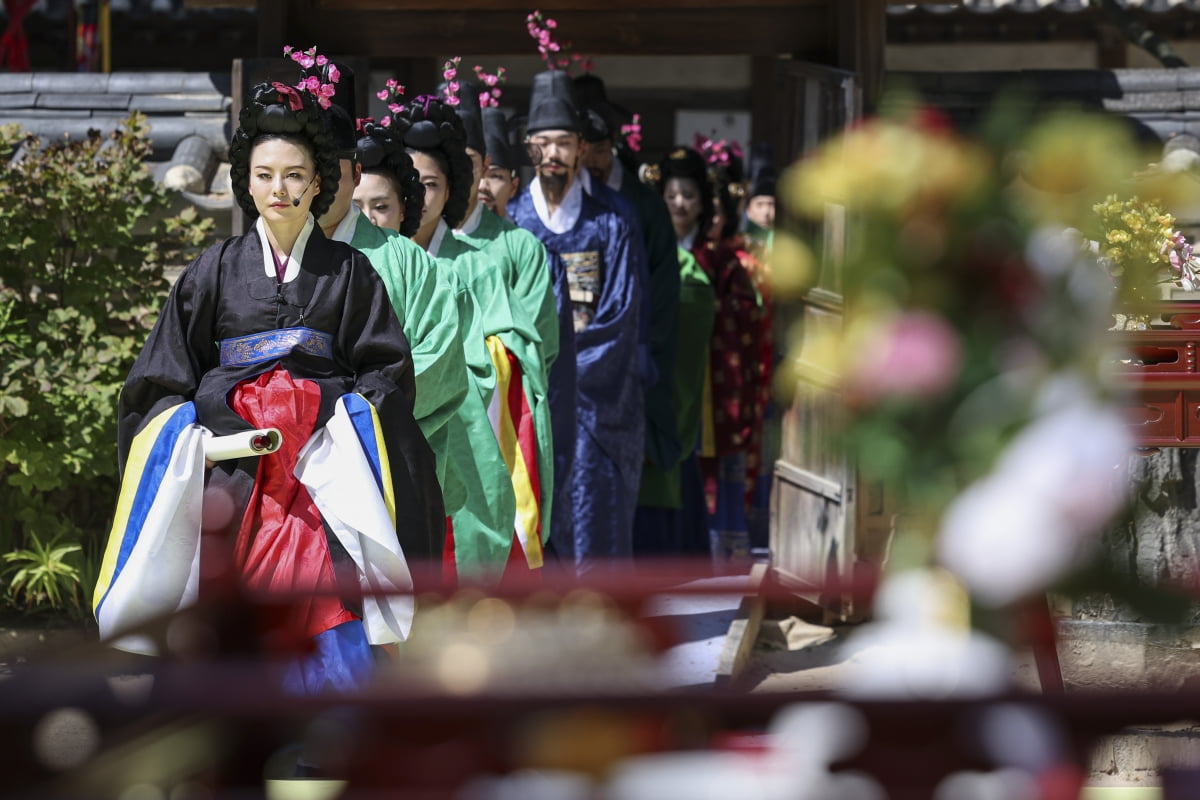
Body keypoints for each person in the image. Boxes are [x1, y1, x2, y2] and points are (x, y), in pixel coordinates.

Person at [93, 75, 445, 694]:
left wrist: (335, 424)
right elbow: (159, 381)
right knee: (229, 611)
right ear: (246, 182)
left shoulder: (349, 273)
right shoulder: (213, 270)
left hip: (323, 479)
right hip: (231, 477)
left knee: (326, 594)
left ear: (318, 183)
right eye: (264, 175)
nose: (278, 189)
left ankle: (329, 732)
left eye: (293, 175)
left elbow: (387, 373)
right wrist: (200, 439)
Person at [309, 64, 468, 524]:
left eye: (331, 168)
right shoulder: (262, 258)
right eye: (304, 168)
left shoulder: (410, 263)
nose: (317, 182)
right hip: (287, 464)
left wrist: (347, 419)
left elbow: (440, 363)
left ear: (356, 172)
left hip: (383, 460)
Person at [508, 71, 643, 573]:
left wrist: (566, 372)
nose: (553, 155)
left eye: (564, 143)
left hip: (597, 400)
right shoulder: (515, 221)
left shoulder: (613, 219)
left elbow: (622, 315)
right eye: (542, 144)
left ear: (583, 147)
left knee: (593, 501)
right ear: (527, 149)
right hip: (531, 389)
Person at [390, 93, 527, 581]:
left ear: (452, 191)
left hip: (466, 430)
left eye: (431, 184)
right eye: (408, 183)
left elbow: (514, 354)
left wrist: (452, 364)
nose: (418, 195)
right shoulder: (371, 262)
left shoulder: (479, 265)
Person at [574, 73, 685, 556]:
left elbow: (662, 290)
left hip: (629, 360)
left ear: (614, 144)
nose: (593, 159)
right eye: (584, 146)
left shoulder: (640, 206)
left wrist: (641, 351)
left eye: (600, 147)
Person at [656, 146, 763, 568]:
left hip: (709, 380)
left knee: (712, 465)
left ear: (703, 204)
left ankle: (719, 558)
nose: (680, 203)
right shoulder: (653, 252)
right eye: (672, 195)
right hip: (668, 378)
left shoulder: (720, 259)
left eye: (688, 195)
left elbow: (746, 314)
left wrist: (714, 310)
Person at [478, 106, 521, 218]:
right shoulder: (443, 234)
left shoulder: (523, 236)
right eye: (476, 174)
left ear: (513, 187)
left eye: (496, 176)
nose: (482, 186)